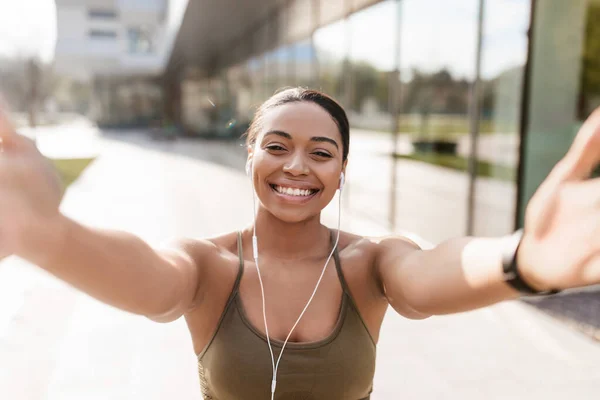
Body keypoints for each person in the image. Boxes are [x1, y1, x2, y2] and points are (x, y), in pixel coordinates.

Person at [1, 87, 599, 400]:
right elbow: (152, 281)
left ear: (341, 171)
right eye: (277, 145)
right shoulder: (209, 263)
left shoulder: (372, 261)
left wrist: (516, 262)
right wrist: (50, 237)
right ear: (250, 155)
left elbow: (426, 280)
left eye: (321, 153)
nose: (297, 167)